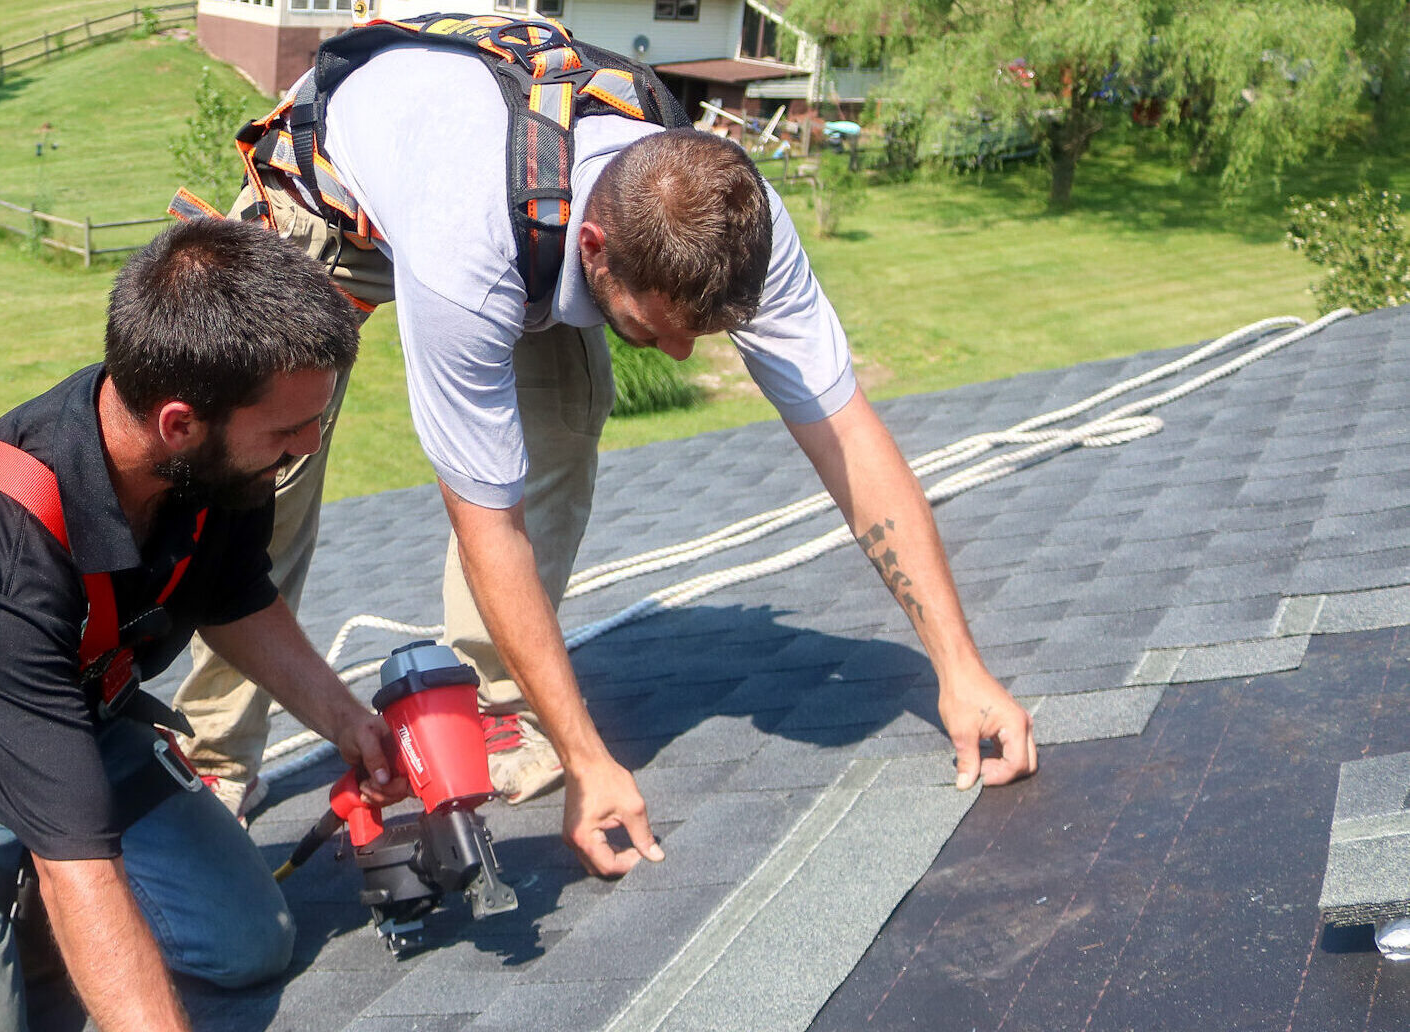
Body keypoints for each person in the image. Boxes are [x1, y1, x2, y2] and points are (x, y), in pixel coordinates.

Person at [169, 14, 1037, 877]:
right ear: (598, 252)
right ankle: (214, 752)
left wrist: (960, 668)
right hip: (335, 198)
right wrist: (591, 766)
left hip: (530, 195)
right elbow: (485, 523)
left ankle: (495, 697)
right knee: (259, 481)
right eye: (655, 329)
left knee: (567, 412)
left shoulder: (732, 217)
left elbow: (849, 436)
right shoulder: (466, 250)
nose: (682, 354)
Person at [0, 218, 405, 1032]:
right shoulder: (2, 529)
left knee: (251, 946)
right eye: (286, 430)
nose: (307, 445)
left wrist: (347, 722)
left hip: (75, 720)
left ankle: (10, 904)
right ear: (180, 422)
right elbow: (78, 860)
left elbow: (232, 596)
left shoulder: (212, 463)